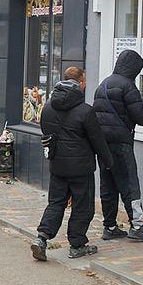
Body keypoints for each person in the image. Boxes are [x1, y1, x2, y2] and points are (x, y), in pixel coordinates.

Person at [35, 66, 113, 262]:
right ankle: (77, 244)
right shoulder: (85, 111)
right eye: (84, 81)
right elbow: (98, 140)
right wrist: (109, 162)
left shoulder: (48, 107)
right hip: (81, 167)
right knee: (82, 205)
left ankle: (42, 239)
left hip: (58, 165)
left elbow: (46, 132)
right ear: (79, 83)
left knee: (56, 202)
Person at [92, 48, 143, 241]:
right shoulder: (128, 87)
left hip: (103, 145)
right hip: (121, 144)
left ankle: (109, 226)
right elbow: (139, 116)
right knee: (129, 184)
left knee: (108, 185)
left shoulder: (103, 84)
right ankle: (137, 226)